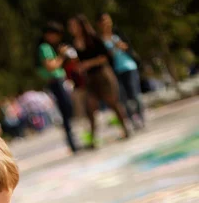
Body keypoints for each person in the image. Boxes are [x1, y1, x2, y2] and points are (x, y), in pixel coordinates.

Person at [68, 14, 130, 145]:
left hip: (102, 74)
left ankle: (125, 128)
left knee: (112, 103)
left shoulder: (94, 38)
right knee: (90, 107)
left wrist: (87, 64)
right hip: (89, 78)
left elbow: (105, 57)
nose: (72, 28)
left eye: (74, 25)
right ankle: (94, 137)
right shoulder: (74, 44)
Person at [36, 21, 79, 154]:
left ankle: (73, 140)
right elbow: (51, 66)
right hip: (55, 81)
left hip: (59, 81)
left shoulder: (47, 47)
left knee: (68, 111)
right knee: (66, 111)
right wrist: (62, 55)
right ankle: (72, 141)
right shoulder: (44, 47)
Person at [97, 13, 144, 129]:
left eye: (108, 20)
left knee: (134, 94)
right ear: (99, 24)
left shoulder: (117, 33)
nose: (106, 23)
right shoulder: (100, 39)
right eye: (103, 21)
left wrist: (121, 45)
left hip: (129, 66)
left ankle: (141, 118)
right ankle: (132, 120)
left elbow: (128, 46)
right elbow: (104, 57)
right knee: (123, 98)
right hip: (115, 71)